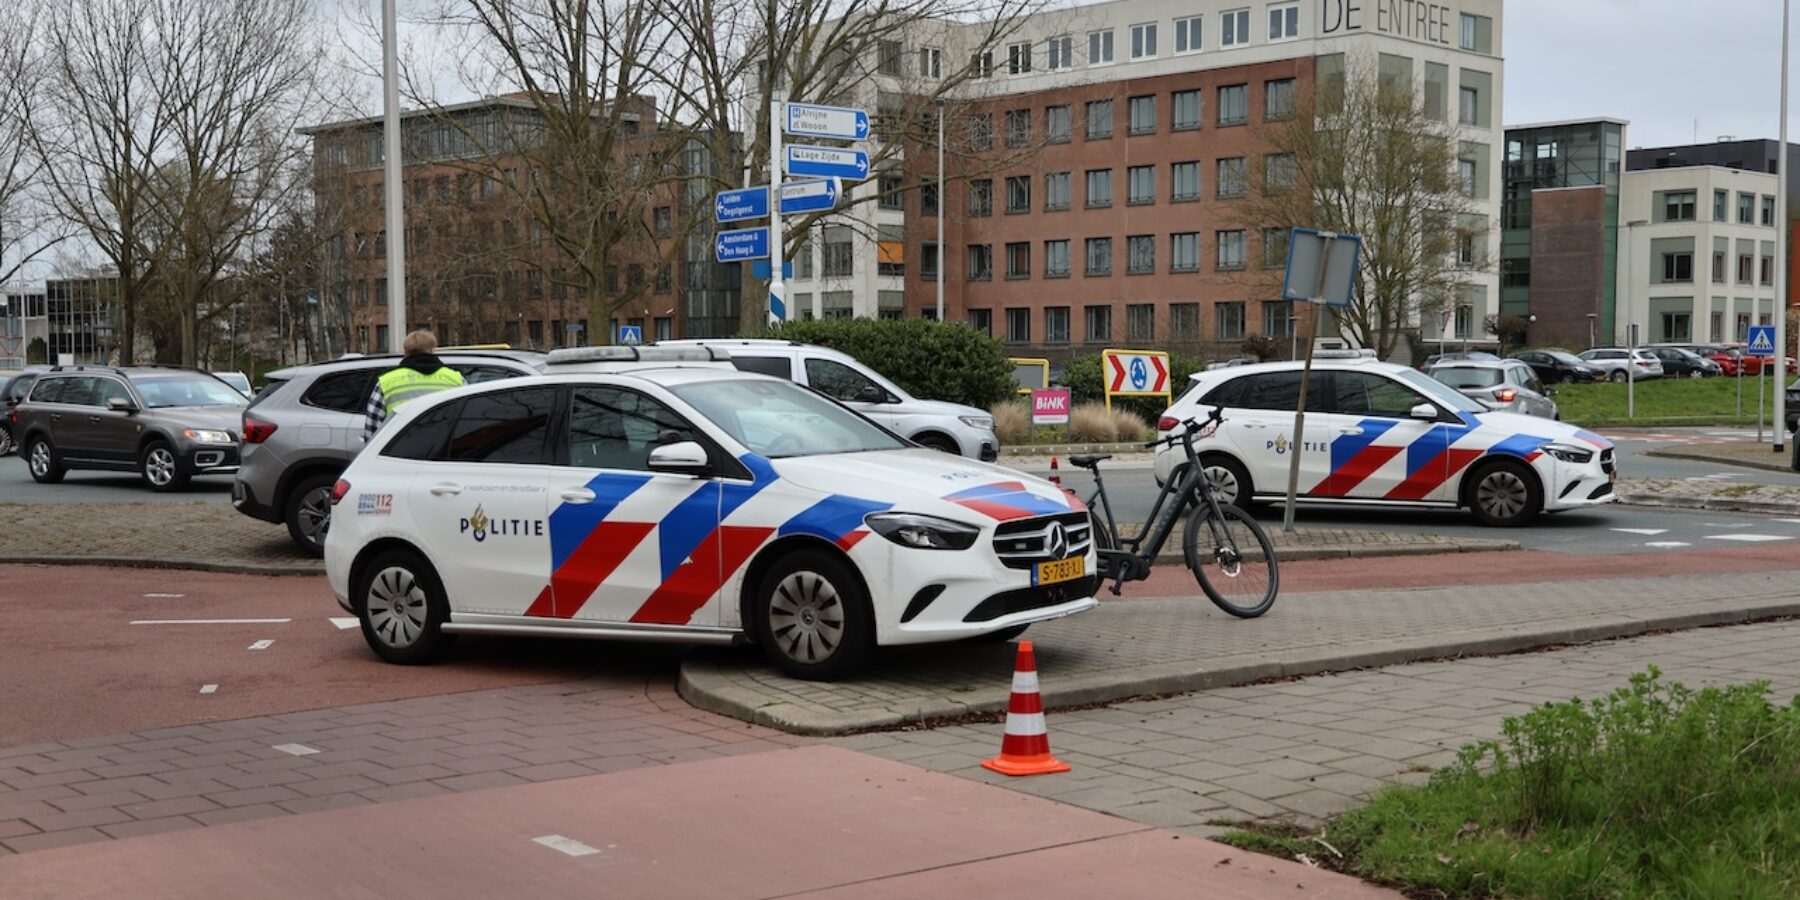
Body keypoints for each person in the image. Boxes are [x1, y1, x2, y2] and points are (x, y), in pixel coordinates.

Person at [363, 330, 464, 442]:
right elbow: (466, 418)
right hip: (442, 450)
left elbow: (372, 429)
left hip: (399, 451)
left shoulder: (387, 382)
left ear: (406, 352)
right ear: (432, 350)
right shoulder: (456, 379)